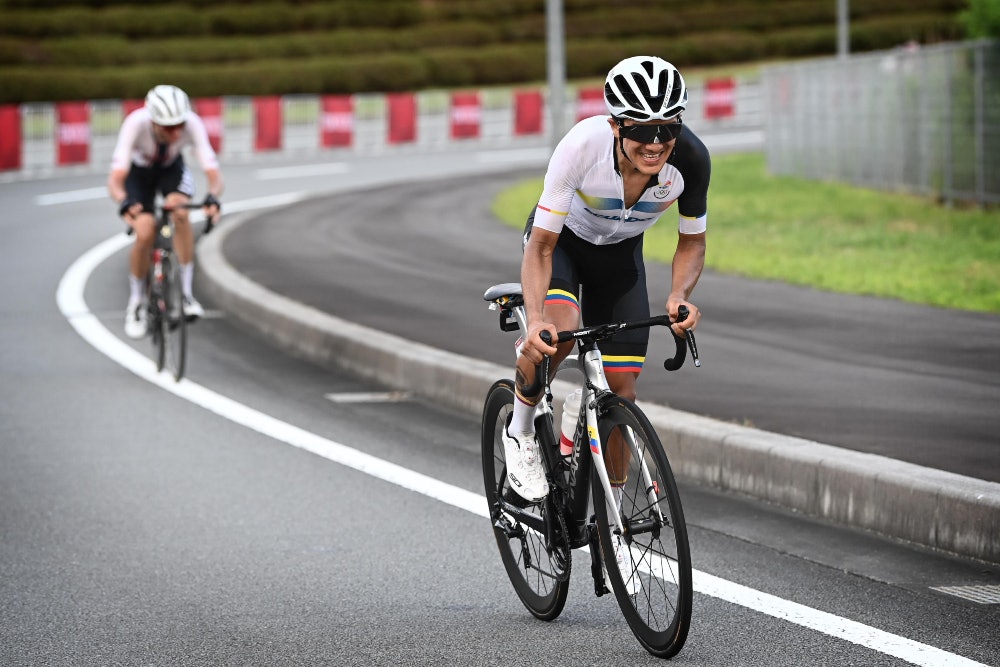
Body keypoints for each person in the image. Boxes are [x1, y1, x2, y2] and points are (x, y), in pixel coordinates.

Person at [504, 55, 710, 505]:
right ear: (616, 125)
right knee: (555, 335)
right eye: (640, 128)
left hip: (620, 259)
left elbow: (692, 242)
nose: (655, 143)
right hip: (562, 246)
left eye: (667, 127)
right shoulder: (582, 147)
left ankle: (612, 525)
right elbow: (540, 246)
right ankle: (519, 431)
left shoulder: (691, 160)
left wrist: (679, 294)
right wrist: (535, 317)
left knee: (623, 390)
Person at [107, 84, 224, 339]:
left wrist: (213, 196)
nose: (176, 132)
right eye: (168, 127)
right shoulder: (135, 124)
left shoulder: (192, 123)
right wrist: (124, 201)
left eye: (179, 125)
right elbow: (115, 179)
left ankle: (186, 295)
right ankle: (136, 301)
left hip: (171, 169)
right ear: (153, 121)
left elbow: (213, 171)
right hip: (138, 176)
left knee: (181, 214)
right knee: (145, 231)